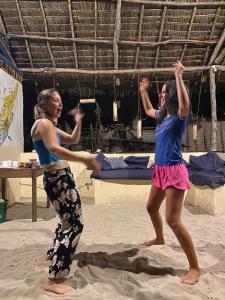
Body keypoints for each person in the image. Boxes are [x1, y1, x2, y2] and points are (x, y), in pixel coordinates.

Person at [31, 88, 101, 294]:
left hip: (59, 178)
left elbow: (71, 139)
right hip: (58, 179)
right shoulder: (43, 124)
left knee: (66, 221)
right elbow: (54, 149)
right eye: (56, 101)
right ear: (44, 103)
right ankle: (53, 280)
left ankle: (53, 252)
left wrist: (78, 121)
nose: (60, 105)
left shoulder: (49, 126)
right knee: (75, 225)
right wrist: (85, 158)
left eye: (61, 101)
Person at [139, 61, 200, 285]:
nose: (161, 96)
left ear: (172, 95)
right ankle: (159, 238)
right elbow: (147, 110)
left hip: (174, 171)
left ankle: (194, 267)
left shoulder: (178, 118)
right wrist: (143, 92)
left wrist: (178, 76)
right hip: (160, 170)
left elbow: (185, 105)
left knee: (173, 219)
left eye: (164, 93)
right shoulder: (162, 116)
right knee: (151, 207)